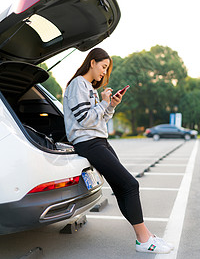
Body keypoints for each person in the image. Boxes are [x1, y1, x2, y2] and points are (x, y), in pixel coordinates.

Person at [63, 48, 173, 254]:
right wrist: (103, 102)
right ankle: (143, 240)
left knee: (123, 187)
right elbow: (85, 120)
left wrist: (111, 105)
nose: (104, 73)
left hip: (99, 140)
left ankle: (145, 235)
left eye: (107, 69)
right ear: (92, 62)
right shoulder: (78, 83)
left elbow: (99, 120)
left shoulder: (88, 87)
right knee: (130, 184)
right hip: (89, 142)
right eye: (103, 67)